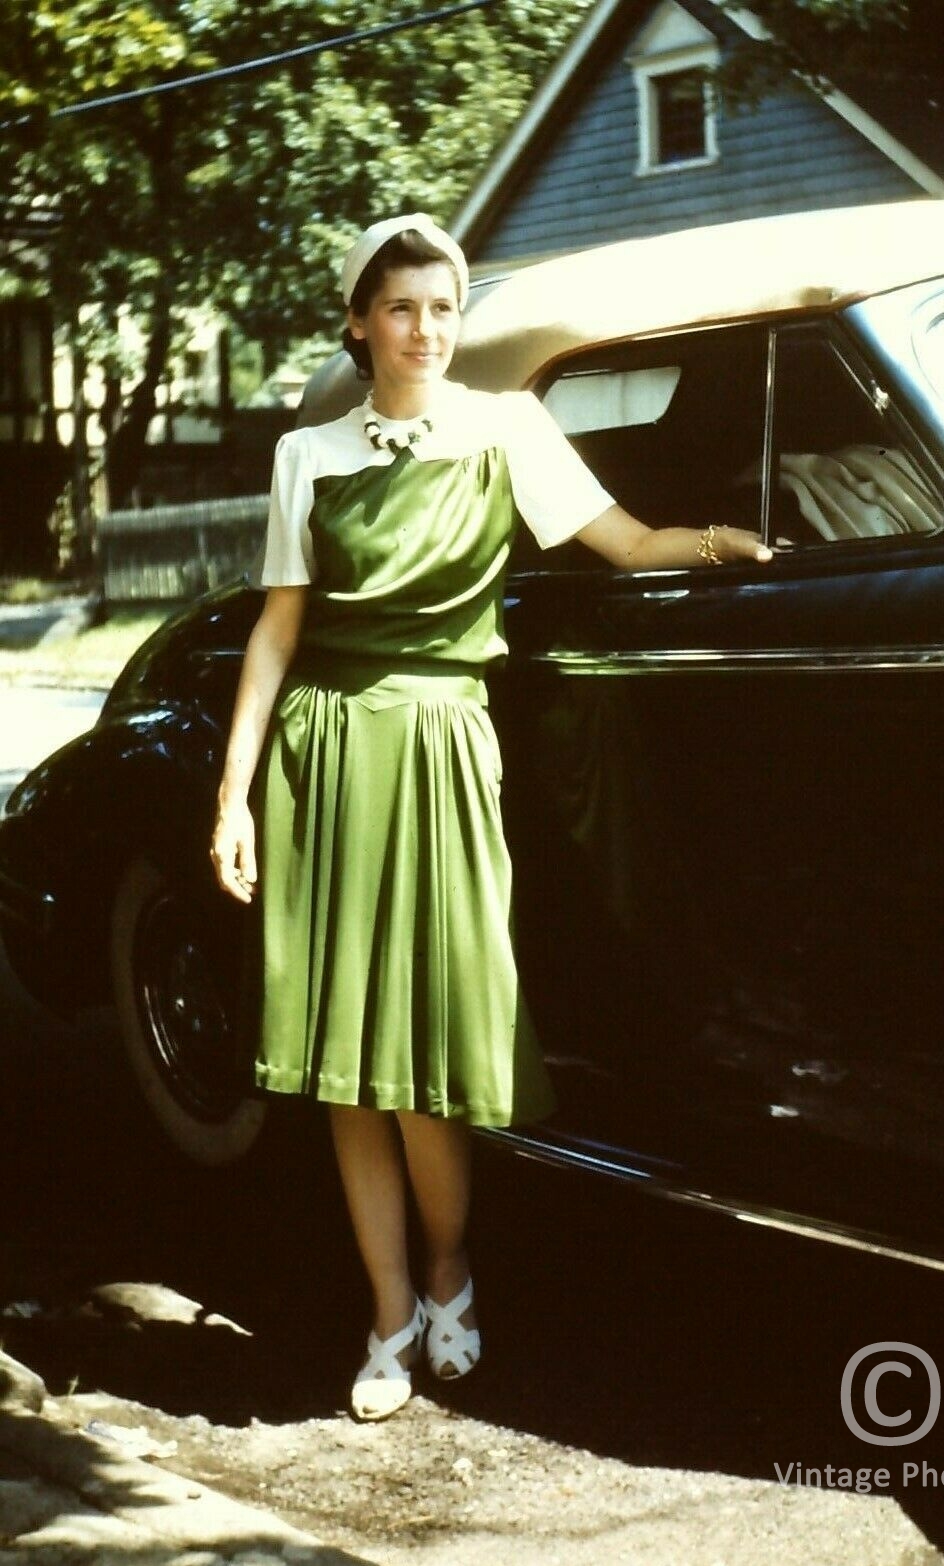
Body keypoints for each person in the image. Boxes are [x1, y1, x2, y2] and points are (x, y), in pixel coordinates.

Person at [211, 214, 771, 1422]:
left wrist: (722, 542)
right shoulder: (306, 456)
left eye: (444, 308)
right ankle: (387, 1308)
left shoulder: (509, 428)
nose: (425, 329)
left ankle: (453, 1269)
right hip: (327, 754)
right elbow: (276, 632)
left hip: (444, 746)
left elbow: (623, 542)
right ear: (360, 322)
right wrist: (233, 796)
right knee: (345, 1069)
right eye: (402, 308)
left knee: (428, 1062)